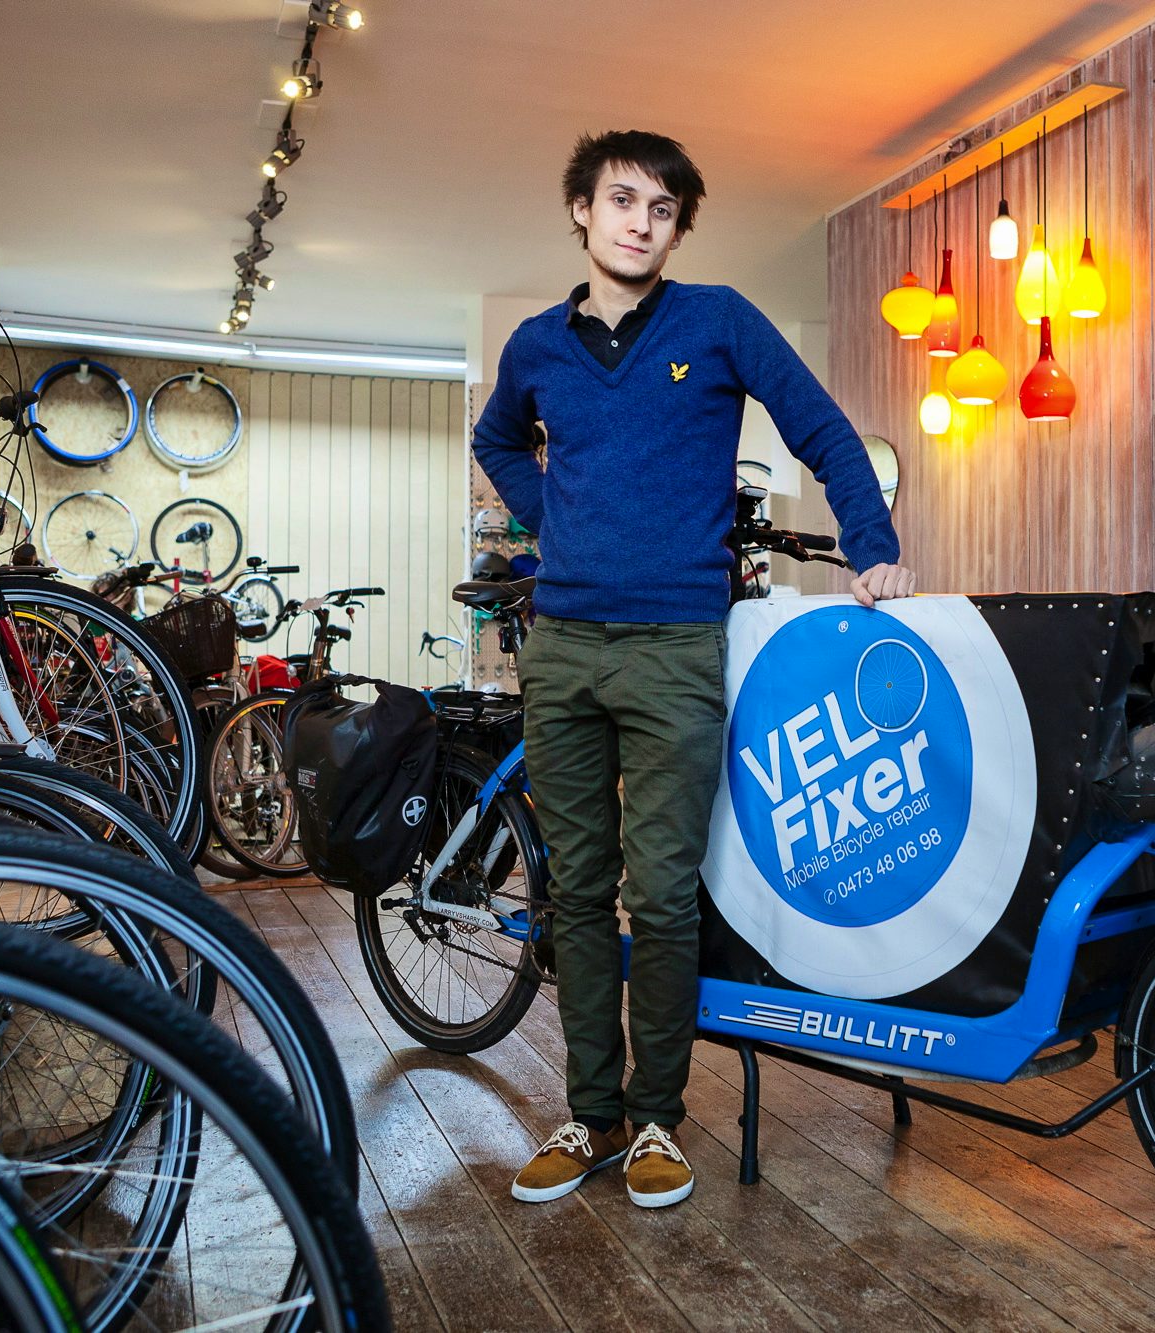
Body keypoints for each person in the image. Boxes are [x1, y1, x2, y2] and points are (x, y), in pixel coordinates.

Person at [472, 129, 915, 1209]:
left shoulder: (716, 322)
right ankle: (591, 1114)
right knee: (573, 890)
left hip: (677, 647)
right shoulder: (536, 345)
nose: (638, 220)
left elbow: (818, 426)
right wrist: (553, 525)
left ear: (674, 229)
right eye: (620, 200)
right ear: (581, 210)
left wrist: (872, 545)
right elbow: (496, 444)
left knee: (660, 894)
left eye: (660, 209)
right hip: (564, 647)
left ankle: (659, 1121)